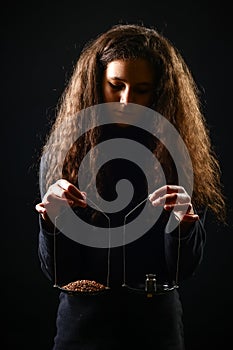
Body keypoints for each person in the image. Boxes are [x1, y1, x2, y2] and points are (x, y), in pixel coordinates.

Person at [35, 23, 226, 350]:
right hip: (81, 331)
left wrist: (183, 228)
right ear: (96, 84)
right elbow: (60, 272)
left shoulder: (177, 155)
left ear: (160, 92)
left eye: (141, 89)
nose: (126, 100)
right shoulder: (71, 153)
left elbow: (183, 271)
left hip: (156, 332)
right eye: (115, 85)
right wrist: (50, 222)